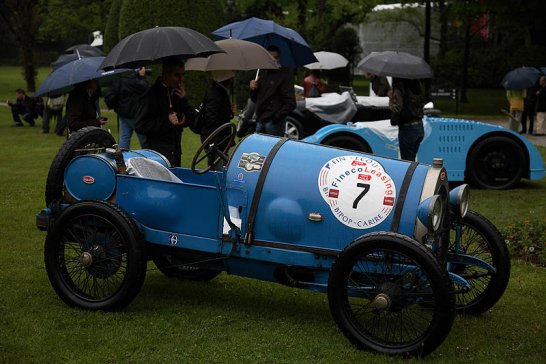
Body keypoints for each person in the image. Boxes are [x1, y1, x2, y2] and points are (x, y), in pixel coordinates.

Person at [135, 57, 196, 167]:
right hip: (157, 156)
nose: (181, 80)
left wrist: (184, 101)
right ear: (166, 74)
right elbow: (141, 125)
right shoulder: (150, 96)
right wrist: (166, 122)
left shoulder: (176, 95)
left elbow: (193, 122)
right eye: (177, 75)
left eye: (183, 75)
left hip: (175, 153)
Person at [249, 45, 296, 137]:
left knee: (274, 150)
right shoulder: (262, 73)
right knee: (260, 150)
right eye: (270, 57)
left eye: (276, 57)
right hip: (260, 121)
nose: (273, 60)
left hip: (274, 124)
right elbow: (255, 99)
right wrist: (253, 89)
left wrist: (275, 118)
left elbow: (291, 103)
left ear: (279, 58)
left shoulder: (285, 75)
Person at [198, 70, 236, 170]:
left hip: (220, 140)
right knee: (217, 171)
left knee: (221, 168)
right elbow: (211, 119)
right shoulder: (215, 93)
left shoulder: (220, 91)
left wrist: (229, 112)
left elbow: (218, 115)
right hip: (216, 141)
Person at [104, 67, 149, 149]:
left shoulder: (119, 77)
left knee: (124, 137)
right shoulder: (131, 79)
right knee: (143, 138)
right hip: (134, 113)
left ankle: (122, 158)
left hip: (122, 112)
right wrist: (142, 76)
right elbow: (144, 87)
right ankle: (149, 157)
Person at [388, 78, 425, 161]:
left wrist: (391, 99)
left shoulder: (400, 87)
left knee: (407, 162)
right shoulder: (418, 85)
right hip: (419, 126)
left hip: (407, 128)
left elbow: (397, 108)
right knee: (411, 160)